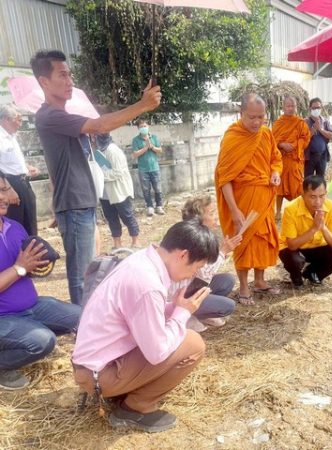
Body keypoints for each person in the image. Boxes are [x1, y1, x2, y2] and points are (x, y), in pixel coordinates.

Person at [31, 49, 161, 305]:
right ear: (44, 82)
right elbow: (100, 125)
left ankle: (88, 323)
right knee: (82, 275)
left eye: (70, 75)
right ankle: (83, 326)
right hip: (75, 202)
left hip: (80, 201)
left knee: (88, 271)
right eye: (62, 75)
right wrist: (142, 105)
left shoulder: (63, 118)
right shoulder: (49, 116)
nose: (69, 81)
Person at [72, 220, 219, 433]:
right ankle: (134, 408)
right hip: (99, 375)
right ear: (183, 255)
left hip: (94, 365)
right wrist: (183, 312)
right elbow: (157, 352)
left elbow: (142, 316)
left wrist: (176, 307)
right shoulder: (147, 283)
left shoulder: (142, 260)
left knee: (177, 335)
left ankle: (123, 392)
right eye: (196, 268)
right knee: (193, 344)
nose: (193, 275)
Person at [0, 173, 81, 390]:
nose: (3, 197)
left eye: (5, 189)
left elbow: (26, 268)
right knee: (43, 341)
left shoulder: (14, 227)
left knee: (82, 316)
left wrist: (36, 266)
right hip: (3, 317)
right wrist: (20, 268)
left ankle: (26, 331)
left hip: (32, 306)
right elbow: (19, 268)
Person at [215, 93, 283, 305]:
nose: (256, 122)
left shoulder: (266, 134)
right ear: (241, 113)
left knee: (263, 238)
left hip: (264, 196)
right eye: (251, 117)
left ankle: (260, 280)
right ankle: (244, 287)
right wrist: (234, 211)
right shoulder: (232, 137)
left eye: (261, 117)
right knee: (244, 241)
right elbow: (224, 178)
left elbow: (275, 158)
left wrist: (275, 172)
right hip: (241, 199)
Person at [168, 195, 241, 330]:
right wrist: (223, 252)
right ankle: (185, 316)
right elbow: (204, 274)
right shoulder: (193, 238)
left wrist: (223, 252)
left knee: (227, 280)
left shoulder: (201, 235)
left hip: (192, 285)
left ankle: (201, 313)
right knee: (227, 306)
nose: (216, 218)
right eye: (212, 213)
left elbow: (203, 272)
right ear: (198, 219)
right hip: (179, 295)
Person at [279, 175, 332, 288]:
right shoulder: (291, 209)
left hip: (317, 246)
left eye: (321, 196)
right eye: (312, 196)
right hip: (295, 248)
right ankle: (296, 276)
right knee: (295, 261)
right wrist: (314, 229)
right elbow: (291, 245)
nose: (317, 202)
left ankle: (312, 273)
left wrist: (323, 227)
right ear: (303, 194)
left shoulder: (331, 207)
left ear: (326, 193)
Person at [95, 133, 140, 249]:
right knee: (111, 217)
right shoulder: (97, 152)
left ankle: (135, 241)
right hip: (105, 193)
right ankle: (117, 243)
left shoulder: (113, 151)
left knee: (127, 215)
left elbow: (118, 172)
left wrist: (101, 176)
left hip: (118, 191)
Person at [0, 104, 39, 235]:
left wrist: (27, 167)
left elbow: (11, 161)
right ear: (6, 119)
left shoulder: (12, 136)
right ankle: (17, 254)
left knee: (30, 222)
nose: (20, 123)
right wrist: (7, 189)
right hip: (9, 183)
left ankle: (33, 251)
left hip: (23, 182)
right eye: (18, 119)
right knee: (15, 223)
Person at [272, 96, 311, 221]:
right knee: (279, 187)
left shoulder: (300, 123)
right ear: (283, 107)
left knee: (297, 186)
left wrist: (294, 145)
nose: (290, 108)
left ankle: (297, 210)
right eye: (288, 106)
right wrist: (281, 144)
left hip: (295, 160)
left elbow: (306, 138)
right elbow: (272, 140)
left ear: (296, 107)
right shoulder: (278, 123)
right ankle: (278, 212)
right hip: (281, 160)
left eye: (293, 106)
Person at [132, 119, 165, 217]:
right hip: (143, 169)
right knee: (146, 190)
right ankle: (150, 207)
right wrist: (146, 147)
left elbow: (160, 150)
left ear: (148, 126)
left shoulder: (154, 137)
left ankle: (159, 206)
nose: (144, 128)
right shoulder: (136, 140)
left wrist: (152, 147)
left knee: (158, 188)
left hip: (154, 167)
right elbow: (135, 154)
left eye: (145, 126)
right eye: (141, 127)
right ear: (138, 128)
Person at [304, 98, 332, 177]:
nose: (316, 110)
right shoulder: (305, 122)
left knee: (320, 180)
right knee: (308, 180)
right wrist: (313, 129)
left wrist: (320, 129)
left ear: (321, 108)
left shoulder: (325, 121)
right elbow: (303, 139)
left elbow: (331, 135)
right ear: (310, 108)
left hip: (322, 156)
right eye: (314, 108)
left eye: (318, 108)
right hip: (309, 157)